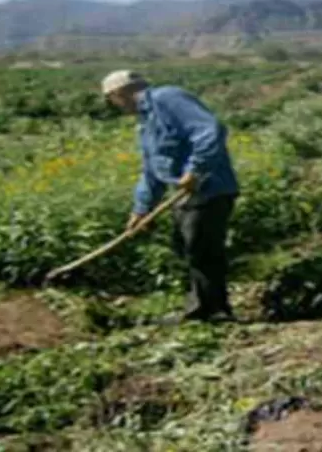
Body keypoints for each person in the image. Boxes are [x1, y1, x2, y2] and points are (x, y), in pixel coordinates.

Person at [101, 70, 240, 323]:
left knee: (201, 249)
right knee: (186, 248)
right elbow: (152, 171)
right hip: (184, 196)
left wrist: (196, 169)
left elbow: (210, 130)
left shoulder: (167, 98)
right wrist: (141, 209)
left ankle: (212, 312)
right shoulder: (145, 124)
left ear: (119, 94)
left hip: (209, 189)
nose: (114, 106)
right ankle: (204, 306)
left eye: (112, 100)